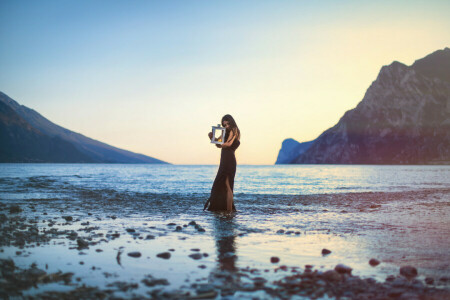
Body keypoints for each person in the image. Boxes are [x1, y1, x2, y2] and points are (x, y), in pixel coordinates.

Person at [204, 114, 240, 211]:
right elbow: (219, 145)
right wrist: (211, 138)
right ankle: (223, 209)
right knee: (220, 185)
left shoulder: (234, 130)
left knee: (228, 186)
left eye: (228, 124)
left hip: (229, 160)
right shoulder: (225, 132)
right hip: (224, 160)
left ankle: (229, 210)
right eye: (224, 125)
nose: (227, 126)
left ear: (231, 122)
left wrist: (217, 141)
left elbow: (228, 144)